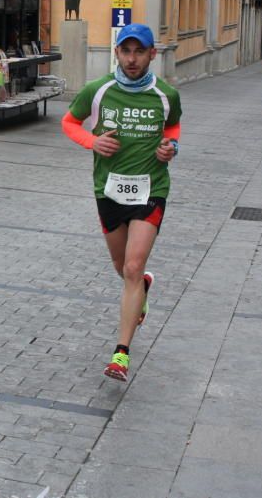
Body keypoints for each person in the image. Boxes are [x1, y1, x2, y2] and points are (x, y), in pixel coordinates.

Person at [61, 23, 181, 382]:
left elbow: (172, 129)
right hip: (109, 190)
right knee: (121, 266)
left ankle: (121, 354)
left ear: (151, 55)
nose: (132, 59)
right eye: (126, 51)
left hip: (151, 189)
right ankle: (141, 288)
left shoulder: (166, 94)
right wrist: (92, 143)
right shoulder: (98, 91)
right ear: (116, 53)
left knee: (131, 266)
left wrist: (170, 148)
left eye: (139, 52)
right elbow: (70, 122)